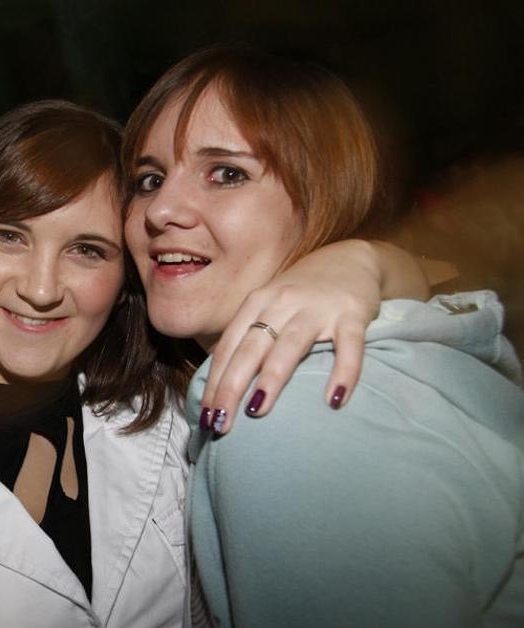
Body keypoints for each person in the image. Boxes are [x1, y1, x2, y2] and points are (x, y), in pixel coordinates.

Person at [0, 100, 423, 628]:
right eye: (9, 237)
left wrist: (359, 262)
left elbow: (449, 300)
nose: (41, 289)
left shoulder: (181, 413)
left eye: (86, 251)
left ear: (128, 276)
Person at [123, 44, 524, 627]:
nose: (161, 209)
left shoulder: (288, 414)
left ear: (323, 198)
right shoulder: (384, 355)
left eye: (227, 173)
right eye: (149, 179)